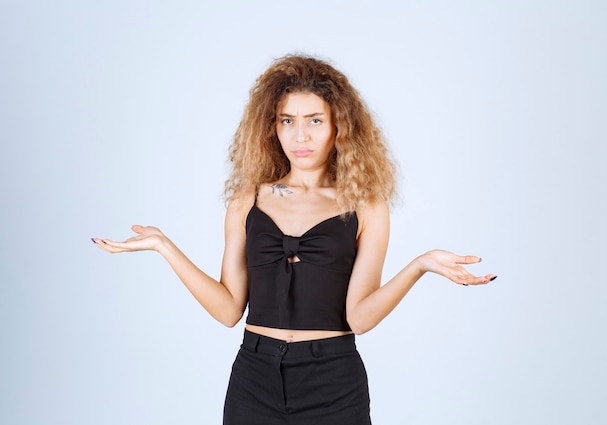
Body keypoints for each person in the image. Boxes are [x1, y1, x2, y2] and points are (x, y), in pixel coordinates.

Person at [92, 54, 496, 424]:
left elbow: (360, 318)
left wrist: (419, 266)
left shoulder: (366, 205)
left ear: (340, 125)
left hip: (333, 382)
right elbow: (229, 309)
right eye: (288, 120)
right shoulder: (246, 199)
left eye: (314, 120)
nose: (300, 136)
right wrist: (166, 247)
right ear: (273, 126)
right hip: (254, 378)